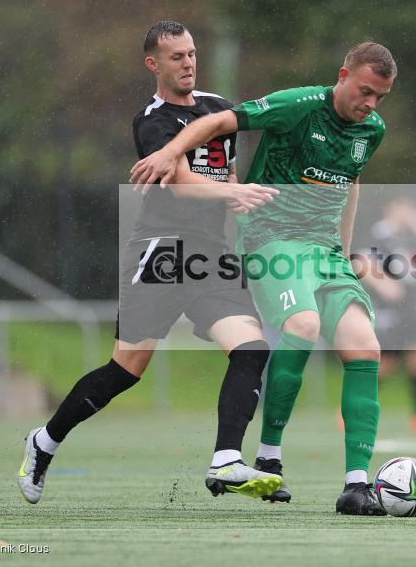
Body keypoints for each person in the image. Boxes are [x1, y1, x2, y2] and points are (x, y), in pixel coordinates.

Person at [18, 20, 282, 504]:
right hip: (162, 250)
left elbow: (226, 172)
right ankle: (43, 442)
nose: (188, 63)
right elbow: (178, 178)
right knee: (126, 369)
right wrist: (233, 191)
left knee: (252, 349)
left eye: (192, 53)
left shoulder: (217, 109)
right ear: (153, 64)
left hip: (211, 256)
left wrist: (243, 198)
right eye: (177, 56)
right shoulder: (151, 120)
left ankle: (226, 458)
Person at [131, 41, 397, 515]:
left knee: (365, 346)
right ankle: (270, 458)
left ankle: (356, 485)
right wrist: (170, 153)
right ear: (342, 75)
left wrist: (345, 247)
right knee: (303, 326)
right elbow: (217, 121)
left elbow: (350, 181)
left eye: (380, 96)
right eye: (364, 91)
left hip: (324, 249)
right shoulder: (297, 105)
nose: (370, 104)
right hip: (270, 238)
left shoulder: (370, 129)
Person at [358, 198, 416, 435]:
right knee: (384, 364)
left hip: (410, 309)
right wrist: (384, 284)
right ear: (389, 209)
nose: (407, 213)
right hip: (388, 310)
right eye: (403, 208)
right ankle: (355, 407)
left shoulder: (412, 237)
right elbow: (360, 261)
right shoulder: (379, 234)